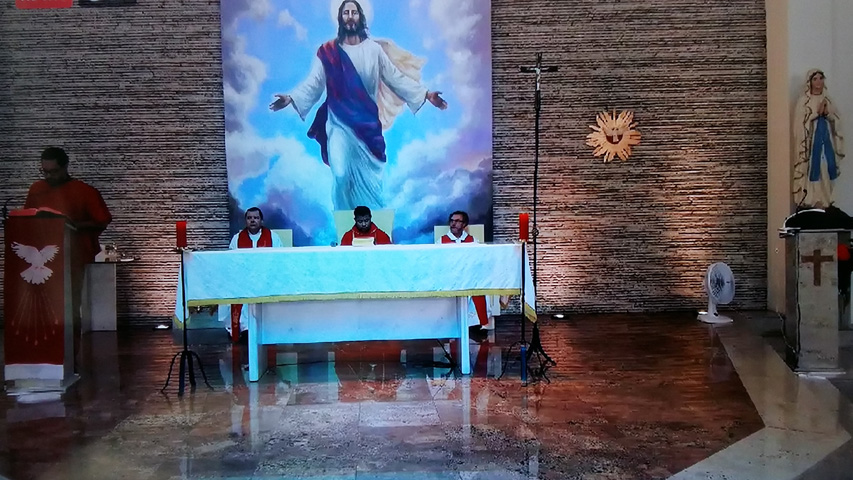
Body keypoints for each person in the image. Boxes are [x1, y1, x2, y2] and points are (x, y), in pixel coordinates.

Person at [269, 0, 448, 211]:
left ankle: (371, 223)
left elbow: (395, 77)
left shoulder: (373, 50)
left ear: (360, 17)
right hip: (338, 124)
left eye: (354, 12)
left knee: (371, 184)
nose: (350, 16)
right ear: (340, 18)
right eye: (346, 13)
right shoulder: (328, 52)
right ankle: (344, 221)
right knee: (340, 174)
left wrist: (426, 94)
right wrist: (291, 98)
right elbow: (314, 83)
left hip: (367, 126)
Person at [24, 146, 112, 358]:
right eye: (45, 172)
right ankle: (43, 353)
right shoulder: (37, 189)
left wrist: (72, 225)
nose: (49, 176)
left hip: (71, 257)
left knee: (69, 307)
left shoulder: (84, 191)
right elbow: (27, 219)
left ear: (65, 167)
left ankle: (70, 356)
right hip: (39, 260)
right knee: (41, 307)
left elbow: (102, 220)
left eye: (53, 171)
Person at [228, 207, 282, 341]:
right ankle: (245, 329)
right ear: (245, 220)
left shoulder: (273, 237)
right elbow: (231, 261)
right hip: (244, 281)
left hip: (266, 280)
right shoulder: (237, 238)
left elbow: (280, 259)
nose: (253, 220)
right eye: (249, 218)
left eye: (256, 218)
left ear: (261, 220)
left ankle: (267, 327)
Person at [793, 69, 845, 209]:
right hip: (812, 143)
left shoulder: (828, 100)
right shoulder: (804, 101)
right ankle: (813, 200)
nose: (818, 82)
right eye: (815, 79)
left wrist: (828, 114)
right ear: (809, 82)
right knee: (814, 169)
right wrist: (816, 113)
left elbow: (837, 120)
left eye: (821, 78)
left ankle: (826, 199)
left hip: (826, 141)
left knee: (827, 168)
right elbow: (799, 124)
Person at [438, 210, 492, 330]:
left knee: (479, 288)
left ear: (464, 224)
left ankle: (476, 325)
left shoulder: (473, 241)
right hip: (450, 278)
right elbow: (439, 262)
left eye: (457, 221)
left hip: (469, 277)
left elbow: (478, 261)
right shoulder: (441, 241)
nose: (453, 223)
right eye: (452, 221)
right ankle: (448, 325)